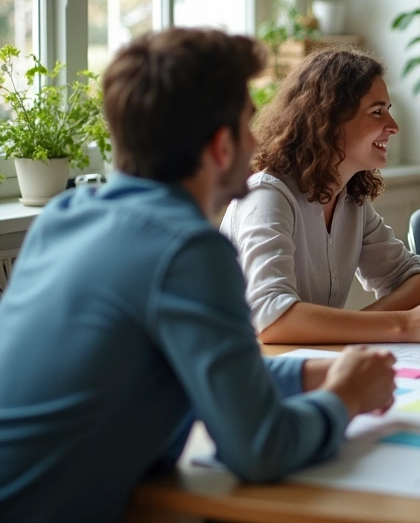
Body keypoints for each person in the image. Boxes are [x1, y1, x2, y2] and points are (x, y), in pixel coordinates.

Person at [0, 29, 397, 522]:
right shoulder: (188, 251)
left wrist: (312, 372)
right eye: (247, 125)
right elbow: (260, 449)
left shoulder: (65, 216)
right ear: (219, 146)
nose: (258, 140)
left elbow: (202, 368)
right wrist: (347, 398)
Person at [221, 47, 420, 345]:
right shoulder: (266, 195)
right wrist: (404, 324)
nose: (393, 126)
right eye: (377, 112)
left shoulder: (351, 198)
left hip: (312, 362)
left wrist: (370, 328)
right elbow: (272, 319)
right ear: (330, 119)